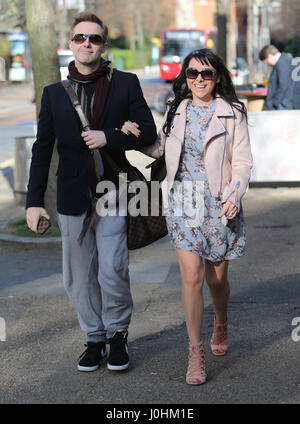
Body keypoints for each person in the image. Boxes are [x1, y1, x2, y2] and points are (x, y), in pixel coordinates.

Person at [26, 12, 156, 373]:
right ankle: (94, 337)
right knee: (78, 275)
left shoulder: (126, 83)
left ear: (103, 45)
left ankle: (117, 334)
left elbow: (147, 130)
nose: (87, 43)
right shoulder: (53, 94)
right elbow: (42, 149)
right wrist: (34, 202)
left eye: (94, 39)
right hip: (71, 195)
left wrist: (109, 137)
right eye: (80, 37)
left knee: (113, 268)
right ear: (70, 43)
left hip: (112, 191)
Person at [121, 49, 252, 385]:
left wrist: (234, 195)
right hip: (182, 202)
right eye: (193, 73)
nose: (199, 80)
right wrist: (129, 137)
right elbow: (162, 149)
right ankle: (196, 351)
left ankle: (220, 321)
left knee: (216, 279)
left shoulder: (233, 112)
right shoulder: (176, 110)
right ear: (185, 77)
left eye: (206, 74)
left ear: (218, 77)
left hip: (220, 203)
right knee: (191, 277)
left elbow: (242, 162)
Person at [259, 44, 294, 110]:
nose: (267, 63)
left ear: (269, 56)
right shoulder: (285, 60)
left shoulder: (282, 63)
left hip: (282, 104)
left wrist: (274, 103)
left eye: (266, 61)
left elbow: (283, 85)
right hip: (284, 103)